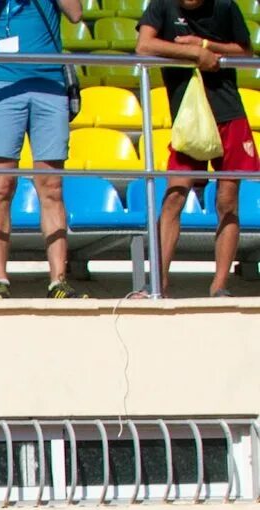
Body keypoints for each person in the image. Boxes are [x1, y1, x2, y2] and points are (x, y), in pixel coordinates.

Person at [0, 0, 86, 299]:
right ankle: (0, 279)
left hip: (50, 84)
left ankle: (58, 280)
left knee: (51, 187)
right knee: (1, 185)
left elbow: (75, 13)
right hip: (4, 84)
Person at [136, 0, 256, 296]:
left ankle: (219, 286)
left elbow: (245, 50)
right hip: (188, 117)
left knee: (228, 200)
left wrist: (203, 42)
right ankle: (158, 285)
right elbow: (144, 46)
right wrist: (194, 53)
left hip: (227, 111)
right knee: (175, 195)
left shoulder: (225, 6)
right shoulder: (161, 5)